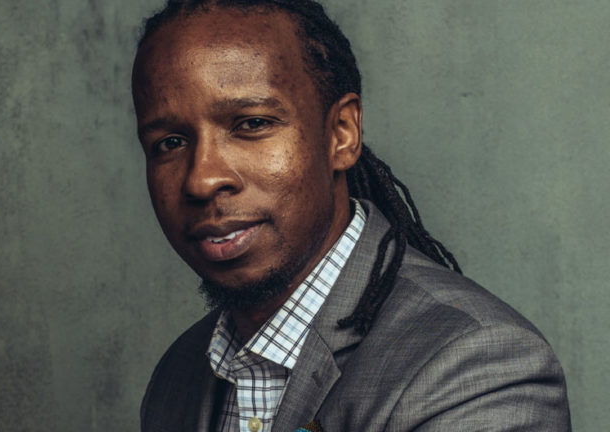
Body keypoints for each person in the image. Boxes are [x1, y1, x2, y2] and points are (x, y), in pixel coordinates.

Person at [131, 0, 571, 430]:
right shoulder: (180, 374)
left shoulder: (477, 368)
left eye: (252, 124)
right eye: (170, 143)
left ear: (342, 134)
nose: (202, 179)